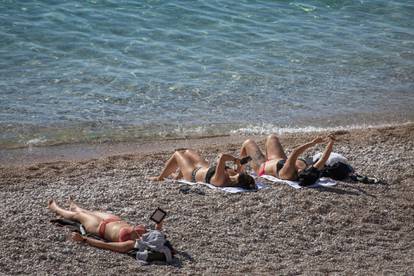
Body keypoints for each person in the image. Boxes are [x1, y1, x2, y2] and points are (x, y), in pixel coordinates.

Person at [47, 198, 162, 253]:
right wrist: (159, 222)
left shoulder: (131, 244)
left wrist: (84, 239)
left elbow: (107, 245)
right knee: (90, 212)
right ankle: (75, 206)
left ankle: (56, 209)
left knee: (78, 215)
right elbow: (159, 232)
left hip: (100, 227)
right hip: (114, 220)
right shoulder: (153, 236)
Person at [240, 133, 336, 186]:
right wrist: (331, 141)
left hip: (263, 166)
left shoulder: (289, 173)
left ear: (300, 173)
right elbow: (323, 159)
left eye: (303, 170)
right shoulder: (312, 172)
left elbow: (295, 152)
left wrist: (312, 143)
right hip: (278, 159)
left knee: (247, 142)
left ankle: (240, 171)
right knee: (272, 137)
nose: (307, 167)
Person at [149, 149, 256, 190]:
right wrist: (241, 163)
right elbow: (239, 171)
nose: (236, 174)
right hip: (205, 167)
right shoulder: (235, 177)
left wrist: (235, 159)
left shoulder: (221, 180)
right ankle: (177, 176)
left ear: (236, 181)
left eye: (237, 175)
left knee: (177, 154)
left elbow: (223, 157)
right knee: (187, 151)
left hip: (192, 173)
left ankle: (160, 178)